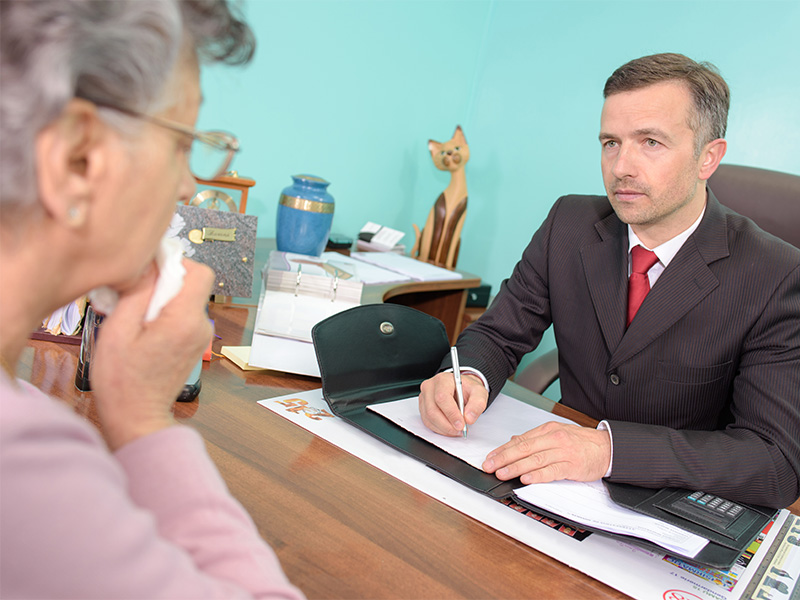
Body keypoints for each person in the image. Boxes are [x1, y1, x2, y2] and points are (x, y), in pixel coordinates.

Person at [0, 1, 304, 597]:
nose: (189, 185)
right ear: (76, 159)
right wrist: (143, 420)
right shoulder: (24, 467)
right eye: (181, 145)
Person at [419, 53, 800, 509]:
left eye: (651, 142)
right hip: (546, 489)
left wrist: (608, 450)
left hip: (666, 506)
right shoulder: (569, 223)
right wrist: (463, 376)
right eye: (610, 143)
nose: (621, 167)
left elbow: (774, 462)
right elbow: (499, 333)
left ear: (708, 157)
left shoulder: (777, 275)